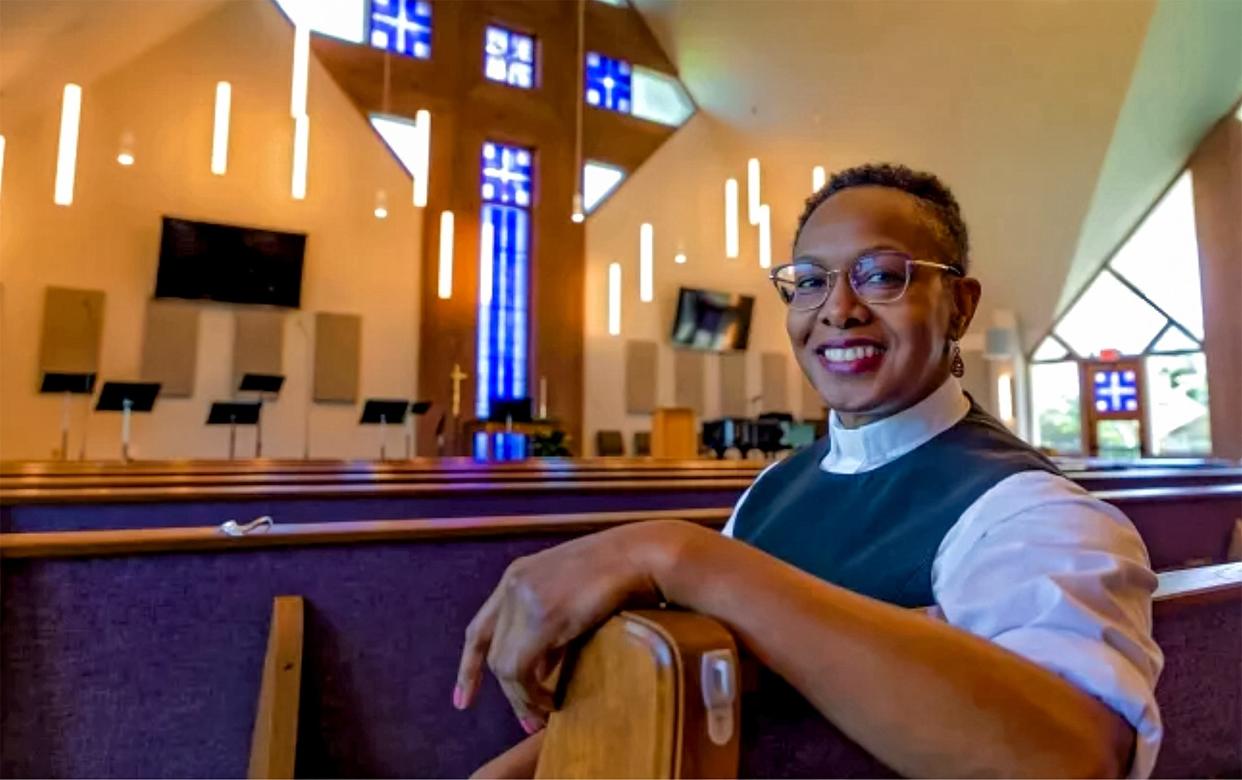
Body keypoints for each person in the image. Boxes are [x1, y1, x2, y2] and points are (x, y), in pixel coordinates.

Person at [455, 164, 1163, 778]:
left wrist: (674, 551)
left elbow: (1074, 756)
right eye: (810, 282)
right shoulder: (771, 492)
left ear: (960, 304)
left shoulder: (1027, 509)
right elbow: (688, 692)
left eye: (881, 276)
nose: (839, 311)